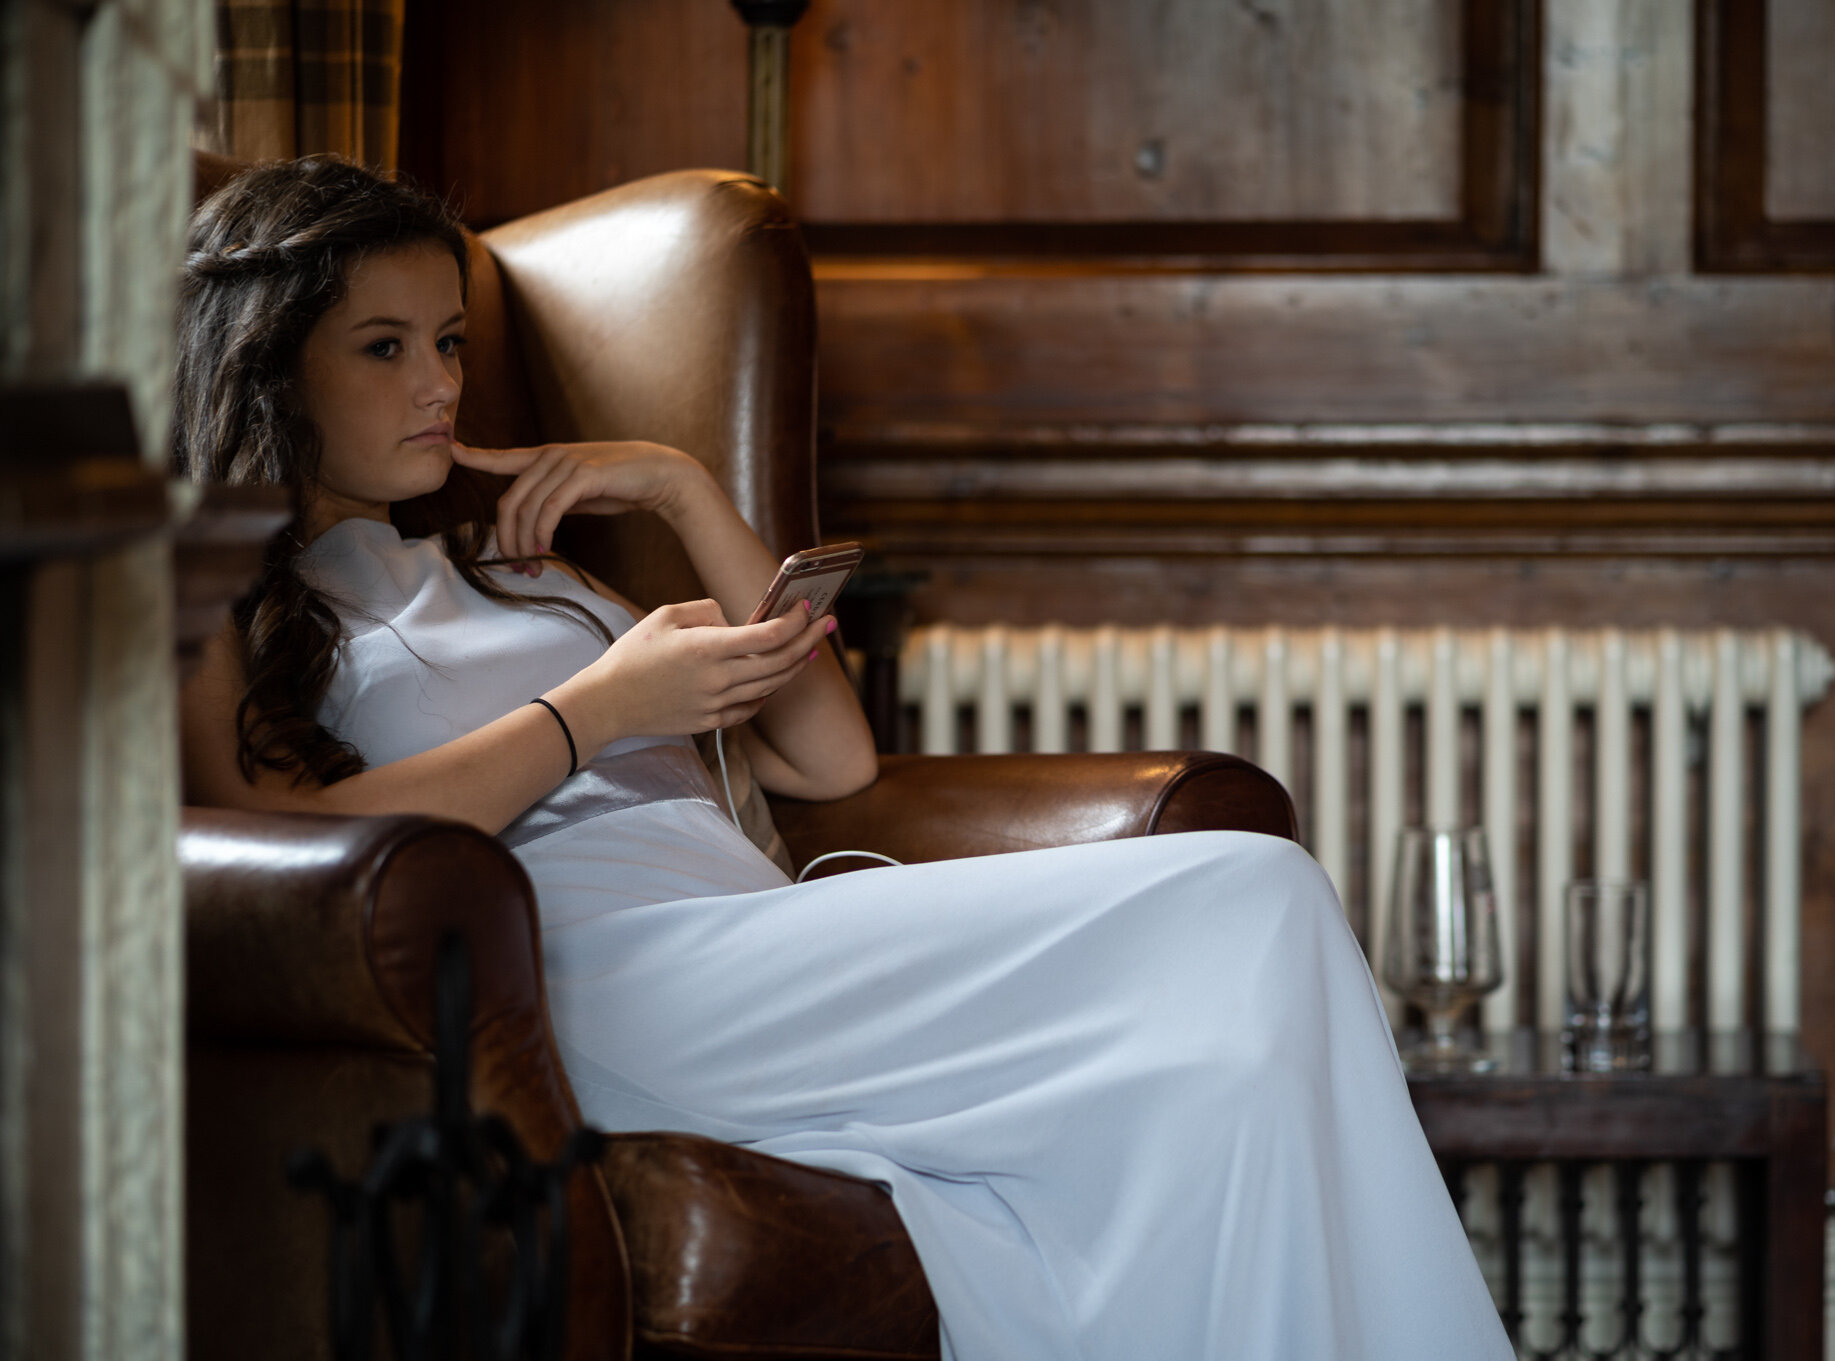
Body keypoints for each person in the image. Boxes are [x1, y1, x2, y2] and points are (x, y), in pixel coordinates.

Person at [176, 155, 1512, 1361]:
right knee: (1250, 894)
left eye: (454, 341)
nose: (441, 384)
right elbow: (283, 848)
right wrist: (597, 708)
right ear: (273, 366)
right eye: (385, 347)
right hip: (580, 984)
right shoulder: (218, 599)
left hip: (751, 946)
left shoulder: (531, 580)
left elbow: (824, 751)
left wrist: (678, 487)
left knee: (1220, 1062)